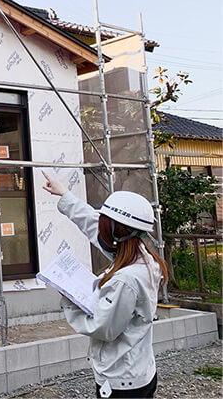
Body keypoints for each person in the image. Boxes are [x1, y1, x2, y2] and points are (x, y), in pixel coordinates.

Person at [42, 171, 168, 399]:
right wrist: (65, 195)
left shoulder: (126, 279)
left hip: (122, 382)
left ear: (115, 231)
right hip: (138, 369)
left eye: (104, 225)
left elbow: (103, 328)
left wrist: (70, 299)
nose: (99, 228)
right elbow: (92, 223)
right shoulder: (140, 256)